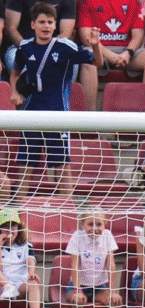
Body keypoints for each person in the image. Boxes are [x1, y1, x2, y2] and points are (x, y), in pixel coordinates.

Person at [8, 2, 102, 196]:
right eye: (42, 22)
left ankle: (67, 214)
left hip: (57, 111)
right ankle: (17, 212)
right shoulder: (25, 47)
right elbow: (16, 72)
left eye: (50, 22)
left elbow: (97, 62)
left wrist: (96, 45)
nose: (46, 26)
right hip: (31, 111)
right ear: (33, 24)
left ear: (55, 24)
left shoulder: (65, 46)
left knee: (61, 166)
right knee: (26, 165)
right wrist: (15, 93)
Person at [76, 0, 145, 110]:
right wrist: (110, 55)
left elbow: (138, 35)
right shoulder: (87, 2)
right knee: (87, 58)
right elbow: (86, 37)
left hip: (126, 51)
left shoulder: (133, 2)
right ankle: (89, 119)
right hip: (98, 48)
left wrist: (128, 53)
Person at [64, 210, 123, 308]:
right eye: (90, 224)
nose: (95, 228)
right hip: (80, 286)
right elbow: (75, 265)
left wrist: (112, 291)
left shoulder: (107, 236)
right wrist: (77, 291)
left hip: (99, 287)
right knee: (77, 302)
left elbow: (110, 265)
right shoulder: (77, 236)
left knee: (117, 302)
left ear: (105, 224)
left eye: (99, 224)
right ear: (82, 224)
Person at [0, 208, 50, 308]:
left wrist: (31, 273)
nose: (10, 230)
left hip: (18, 285)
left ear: (19, 228)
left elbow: (30, 260)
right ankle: (7, 286)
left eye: (13, 227)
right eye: (5, 227)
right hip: (2, 284)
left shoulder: (25, 245)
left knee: (33, 283)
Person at [3, 0, 75, 74]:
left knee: (73, 62)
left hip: (54, 48)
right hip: (19, 47)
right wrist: (28, 48)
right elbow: (10, 29)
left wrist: (47, 51)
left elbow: (66, 33)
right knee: (14, 58)